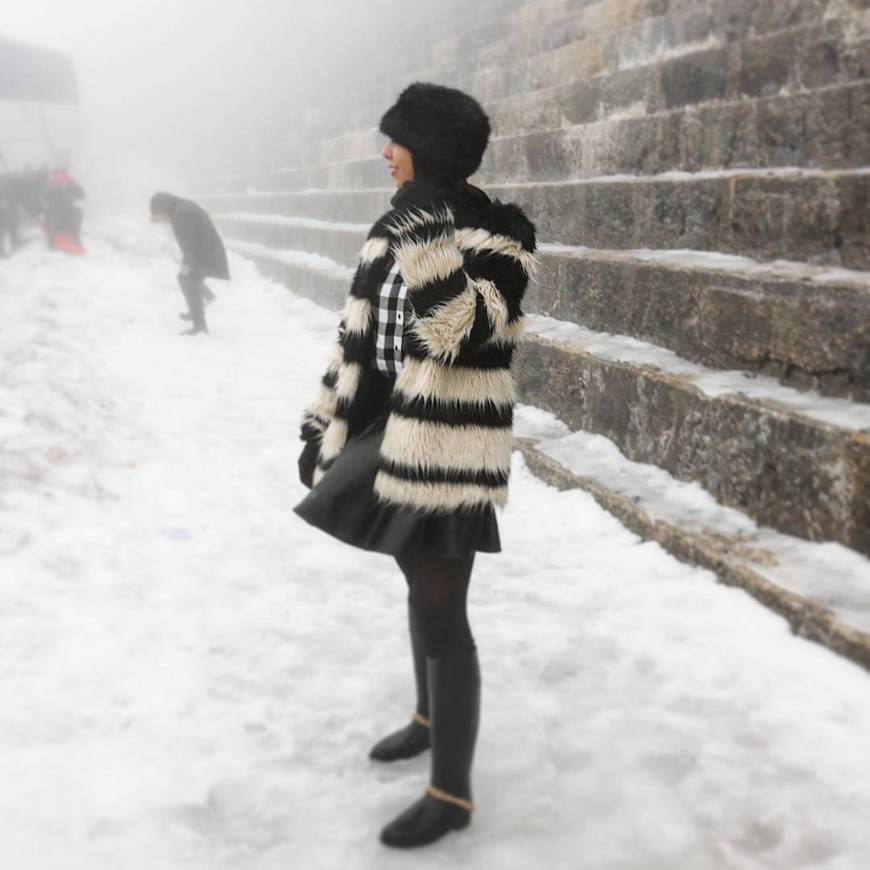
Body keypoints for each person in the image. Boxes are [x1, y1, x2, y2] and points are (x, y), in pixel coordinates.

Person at [294, 83, 537, 849]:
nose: (383, 153)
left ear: (426, 148)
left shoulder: (501, 237)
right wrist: (320, 420)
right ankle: (428, 720)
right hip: (380, 432)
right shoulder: (389, 226)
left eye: (393, 141)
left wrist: (426, 235)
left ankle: (451, 794)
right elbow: (355, 336)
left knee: (441, 609)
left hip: (448, 452)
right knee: (413, 582)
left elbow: (458, 333)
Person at [149, 193, 228, 335]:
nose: (162, 218)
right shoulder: (181, 208)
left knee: (189, 280)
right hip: (206, 252)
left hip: (204, 254)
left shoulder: (181, 213)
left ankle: (199, 326)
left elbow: (190, 241)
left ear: (162, 206)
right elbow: (191, 240)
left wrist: (188, 263)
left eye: (159, 212)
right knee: (188, 280)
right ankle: (196, 312)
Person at [44, 168, 85, 255]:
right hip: (54, 213)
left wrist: (73, 186)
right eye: (59, 175)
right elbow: (45, 196)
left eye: (64, 175)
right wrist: (56, 188)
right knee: (55, 213)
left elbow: (82, 195)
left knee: (79, 211)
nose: (62, 178)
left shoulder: (71, 183)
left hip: (68, 213)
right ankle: (51, 240)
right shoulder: (51, 184)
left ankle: (76, 236)